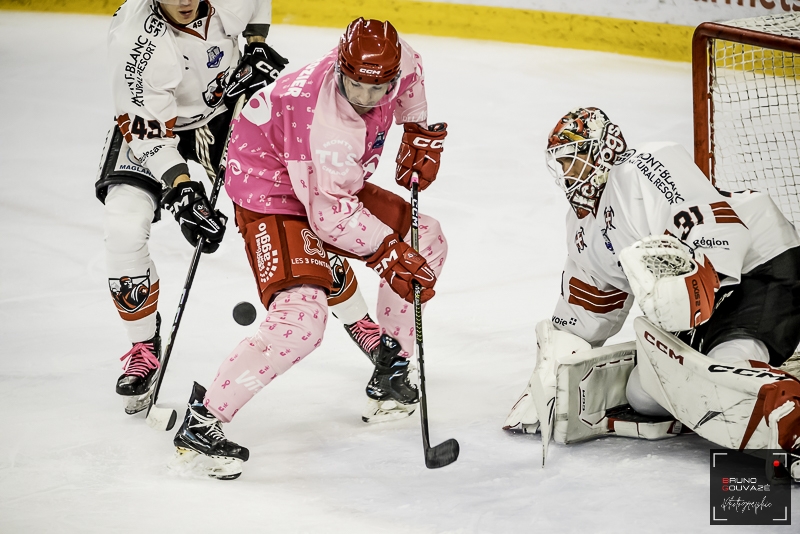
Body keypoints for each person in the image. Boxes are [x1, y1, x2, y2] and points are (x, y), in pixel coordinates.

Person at [169, 17, 449, 479]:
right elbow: (330, 216)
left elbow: (412, 82)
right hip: (270, 186)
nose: (363, 98)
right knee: (302, 319)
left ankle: (391, 368)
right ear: (340, 68)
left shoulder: (402, 64)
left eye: (376, 89)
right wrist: (387, 252)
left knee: (428, 239)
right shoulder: (328, 124)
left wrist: (418, 133)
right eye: (354, 85)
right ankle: (203, 424)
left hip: (324, 180)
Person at [96, 0, 375, 417]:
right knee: (123, 225)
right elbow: (147, 130)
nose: (186, 2)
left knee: (296, 203)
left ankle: (359, 321)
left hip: (223, 113)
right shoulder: (133, 42)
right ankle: (143, 345)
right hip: (154, 125)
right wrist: (182, 191)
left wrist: (257, 43)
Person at [504, 107, 800, 475]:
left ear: (604, 149)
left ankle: (788, 416)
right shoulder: (583, 227)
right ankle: (730, 387)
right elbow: (590, 308)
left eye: (573, 161)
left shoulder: (644, 166)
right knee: (642, 396)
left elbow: (715, 224)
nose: (567, 174)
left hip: (757, 267)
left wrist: (696, 280)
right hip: (698, 303)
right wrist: (552, 374)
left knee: (724, 375)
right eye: (560, 165)